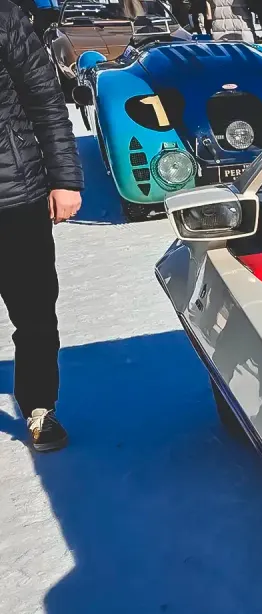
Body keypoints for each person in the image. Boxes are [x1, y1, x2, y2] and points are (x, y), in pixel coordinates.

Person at [0, 0, 83, 452]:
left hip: (16, 193)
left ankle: (38, 407)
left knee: (33, 312)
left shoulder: (5, 18)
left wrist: (65, 179)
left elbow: (46, 100)